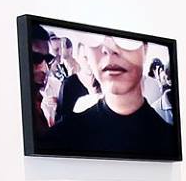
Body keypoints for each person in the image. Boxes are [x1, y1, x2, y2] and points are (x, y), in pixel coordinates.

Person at [45, 34, 179, 158]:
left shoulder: (171, 142)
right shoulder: (57, 141)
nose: (109, 49)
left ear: (145, 49)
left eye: (124, 37)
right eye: (95, 37)